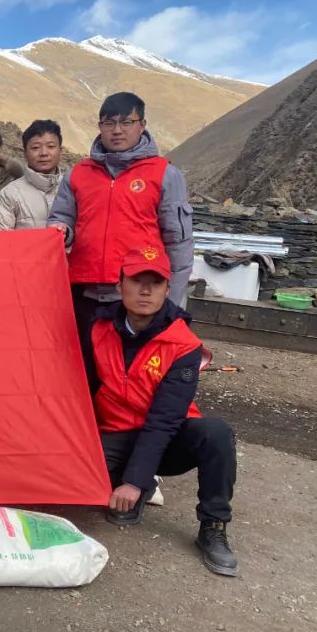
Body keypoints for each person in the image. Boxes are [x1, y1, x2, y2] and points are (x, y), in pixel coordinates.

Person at [85, 246, 237, 576]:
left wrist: (133, 481)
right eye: (137, 280)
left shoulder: (184, 345)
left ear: (168, 289)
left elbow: (165, 420)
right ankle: (138, 485)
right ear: (119, 285)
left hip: (167, 439)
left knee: (216, 434)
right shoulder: (97, 329)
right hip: (114, 432)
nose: (145, 290)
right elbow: (81, 391)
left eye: (155, 283)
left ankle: (213, 526)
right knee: (80, 493)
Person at [47, 92, 193, 341]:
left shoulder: (165, 174)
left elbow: (178, 243)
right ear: (100, 126)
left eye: (126, 122)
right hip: (82, 293)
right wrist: (62, 230)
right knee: (82, 362)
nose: (116, 130)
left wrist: (172, 303)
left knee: (129, 363)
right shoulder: (77, 174)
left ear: (142, 125)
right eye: (109, 123)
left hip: (137, 296)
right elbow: (60, 218)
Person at [0, 119, 64, 231]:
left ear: (60, 151)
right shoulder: (10, 194)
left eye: (50, 146)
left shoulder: (73, 189)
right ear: (25, 154)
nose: (44, 153)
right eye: (35, 148)